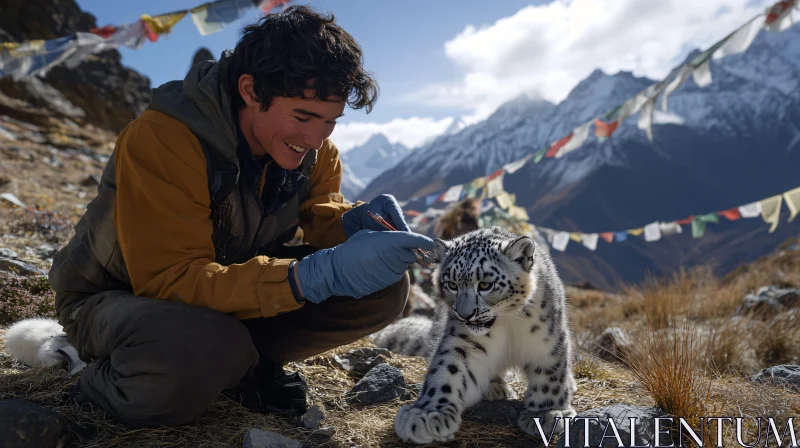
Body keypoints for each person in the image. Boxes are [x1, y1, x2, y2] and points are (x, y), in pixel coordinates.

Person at [48, 5, 433, 428]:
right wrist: (308, 277)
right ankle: (99, 377)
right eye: (303, 116)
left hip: (224, 295)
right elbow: (169, 280)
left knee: (384, 287)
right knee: (209, 344)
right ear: (250, 91)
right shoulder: (165, 138)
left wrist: (353, 223)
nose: (315, 137)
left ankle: (241, 365)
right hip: (120, 300)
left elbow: (319, 210)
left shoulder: (314, 150)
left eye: (330, 121)